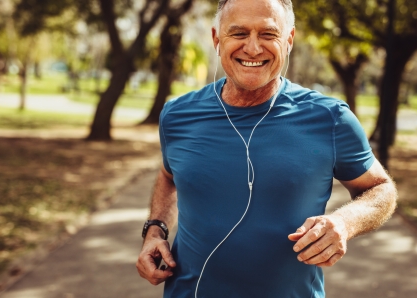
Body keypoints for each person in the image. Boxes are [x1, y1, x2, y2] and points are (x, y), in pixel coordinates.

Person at [136, 0, 397, 297]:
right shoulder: (177, 115)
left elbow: (381, 189)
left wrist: (344, 222)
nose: (253, 48)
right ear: (216, 39)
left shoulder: (331, 118)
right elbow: (169, 175)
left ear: (289, 40)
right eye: (239, 33)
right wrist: (155, 230)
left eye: (268, 34)